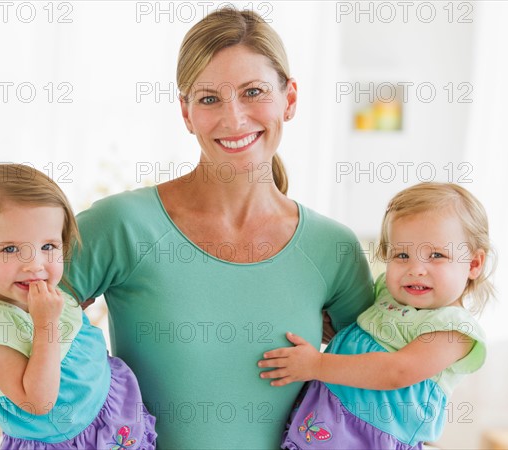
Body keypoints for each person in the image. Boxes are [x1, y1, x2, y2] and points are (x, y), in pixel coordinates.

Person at [64, 8, 374, 448]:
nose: (233, 119)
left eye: (253, 92)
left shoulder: (332, 248)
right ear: (186, 113)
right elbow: (8, 317)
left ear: (290, 99)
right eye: (209, 98)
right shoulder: (120, 225)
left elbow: (378, 382)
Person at [259, 182, 495, 449]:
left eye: (437, 255)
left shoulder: (453, 330)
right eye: (402, 254)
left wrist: (316, 365)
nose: (416, 269)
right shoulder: (388, 296)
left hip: (370, 438)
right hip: (322, 418)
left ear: (474, 264)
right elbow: (370, 343)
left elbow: (396, 370)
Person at [0, 164, 157, 449]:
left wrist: (67, 311)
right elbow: (38, 402)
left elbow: (62, 342)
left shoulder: (41, 294)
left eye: (48, 246)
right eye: (10, 249)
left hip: (107, 416)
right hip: (64, 440)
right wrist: (46, 323)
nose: (35, 264)